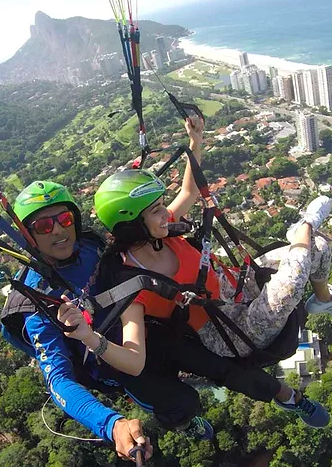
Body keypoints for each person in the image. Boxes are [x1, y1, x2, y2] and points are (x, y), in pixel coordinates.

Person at [59, 169, 331, 427]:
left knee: (318, 246)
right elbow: (134, 360)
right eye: (156, 210)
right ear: (132, 225)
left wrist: (195, 140)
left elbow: (189, 192)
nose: (167, 213)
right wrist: (89, 338)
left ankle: (322, 298)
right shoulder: (133, 283)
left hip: (237, 284)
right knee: (291, 284)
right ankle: (304, 226)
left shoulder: (161, 234)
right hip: (229, 329)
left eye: (163, 205)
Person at [0, 180, 153, 462]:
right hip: (106, 360)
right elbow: (58, 380)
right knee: (171, 399)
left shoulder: (90, 245)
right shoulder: (36, 301)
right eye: (44, 226)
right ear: (29, 237)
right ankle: (179, 417)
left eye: (64, 219)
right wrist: (111, 424)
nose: (58, 229)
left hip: (136, 322)